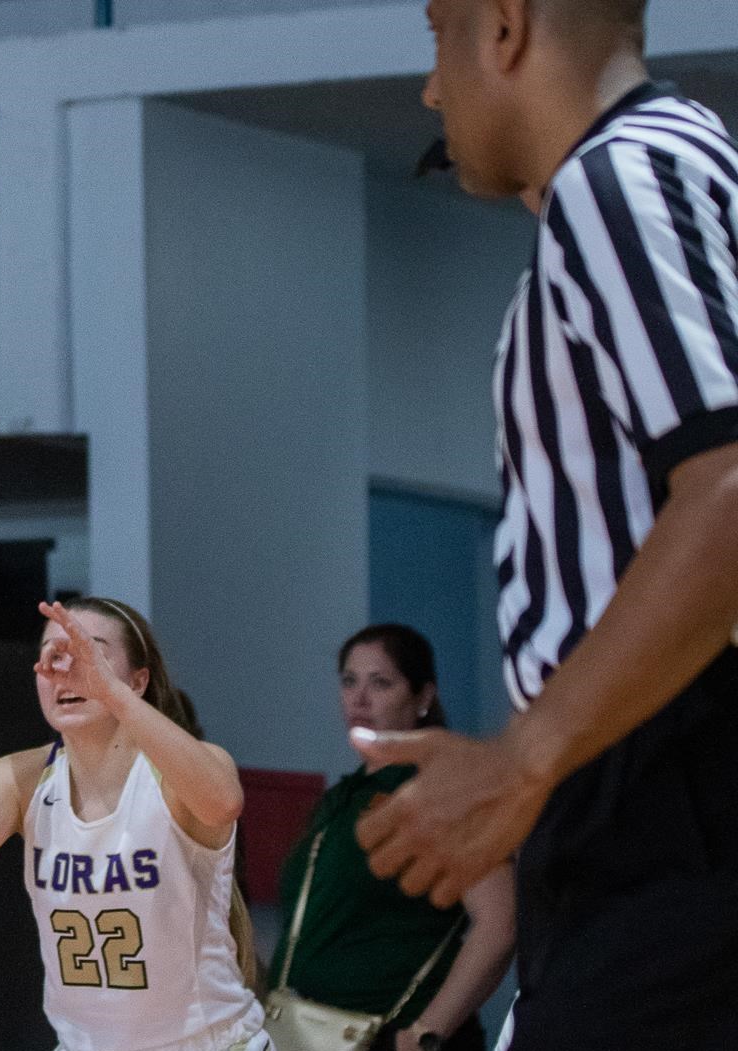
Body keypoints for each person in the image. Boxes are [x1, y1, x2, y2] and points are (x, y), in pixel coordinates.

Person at [352, 3, 738, 1046]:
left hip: (665, 789)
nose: (432, 86)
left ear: (504, 27)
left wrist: (522, 755)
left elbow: (726, 486)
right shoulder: (681, 164)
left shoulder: (619, 178)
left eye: (437, 34)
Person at [0, 599, 266, 1051]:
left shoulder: (174, 774)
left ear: (138, 680)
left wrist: (111, 694)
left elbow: (224, 802)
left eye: (89, 652)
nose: (68, 667)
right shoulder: (22, 779)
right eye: (53, 655)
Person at [270, 626, 514, 1051]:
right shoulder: (337, 800)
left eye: (380, 683)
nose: (359, 698)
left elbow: (499, 924)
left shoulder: (441, 791)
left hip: (390, 1035)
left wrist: (424, 1033)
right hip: (306, 1033)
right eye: (349, 681)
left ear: (422, 698)